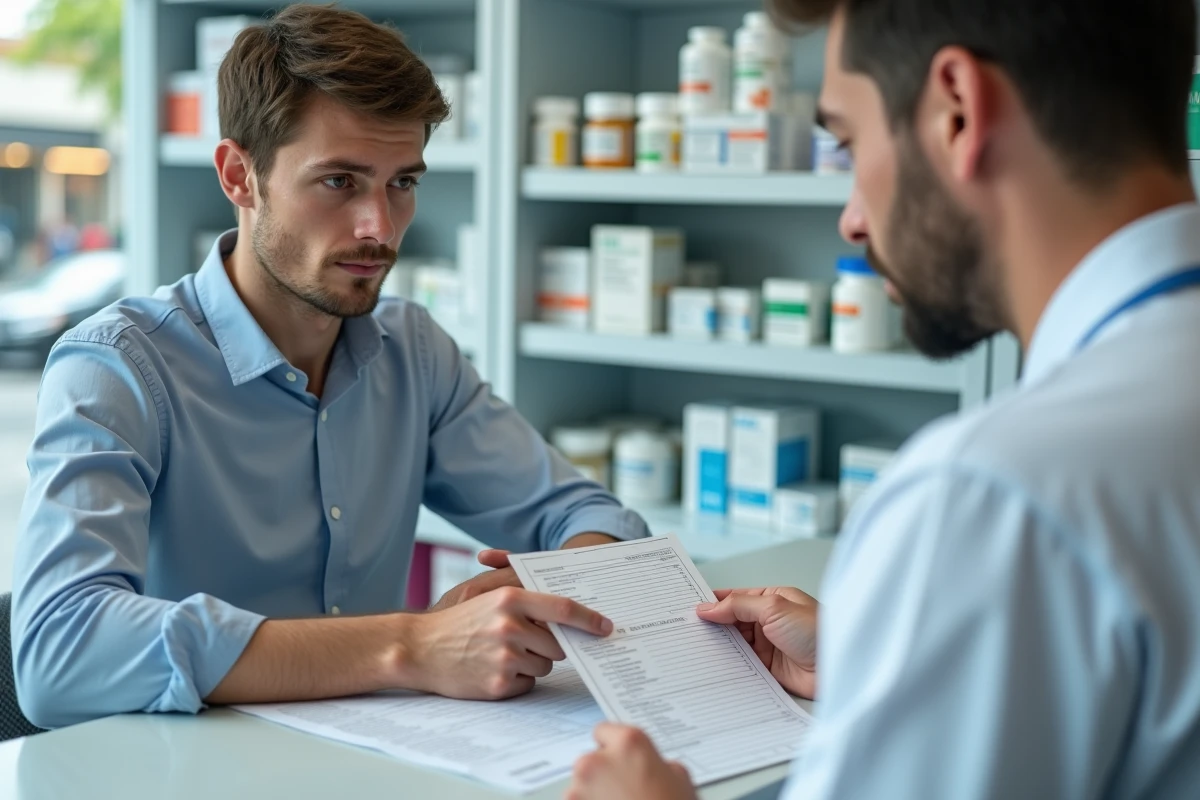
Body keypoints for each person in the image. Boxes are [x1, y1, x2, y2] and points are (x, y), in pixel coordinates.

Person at [566, 0, 1200, 798]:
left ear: (958, 111)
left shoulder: (989, 496)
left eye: (851, 142)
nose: (852, 219)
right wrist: (892, 660)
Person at [11, 4, 647, 731]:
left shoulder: (411, 350)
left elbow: (591, 517)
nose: (379, 227)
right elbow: (59, 655)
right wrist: (409, 645)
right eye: (340, 181)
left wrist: (534, 589)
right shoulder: (118, 367)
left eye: (402, 182)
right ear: (239, 176)